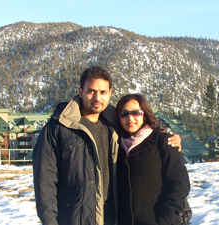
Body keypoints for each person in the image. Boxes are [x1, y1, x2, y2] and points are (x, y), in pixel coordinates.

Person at [32, 66, 181, 225]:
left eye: (103, 92)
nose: (97, 97)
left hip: (114, 217)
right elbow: (45, 184)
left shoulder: (116, 125)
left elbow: (141, 137)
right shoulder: (58, 128)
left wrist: (171, 139)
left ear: (110, 93)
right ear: (80, 91)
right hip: (75, 219)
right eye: (91, 91)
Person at [115, 94, 190, 225]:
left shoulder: (163, 141)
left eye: (136, 112)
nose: (130, 117)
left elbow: (180, 183)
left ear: (145, 114)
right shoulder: (117, 147)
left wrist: (165, 220)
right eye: (124, 113)